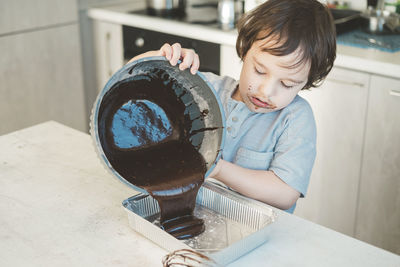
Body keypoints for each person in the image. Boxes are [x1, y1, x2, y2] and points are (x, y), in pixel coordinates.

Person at [128, 0, 336, 213]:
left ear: (306, 82)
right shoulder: (206, 90)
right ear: (245, 52)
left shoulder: (295, 119)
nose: (266, 91)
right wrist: (162, 60)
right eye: (260, 71)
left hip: (259, 236)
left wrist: (218, 168)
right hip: (193, 217)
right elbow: (129, 76)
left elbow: (285, 193)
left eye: (287, 84)